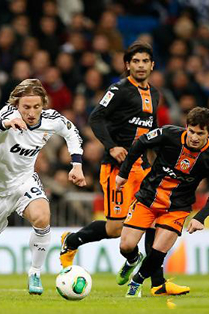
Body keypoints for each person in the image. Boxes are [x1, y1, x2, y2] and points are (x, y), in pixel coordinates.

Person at [60, 41, 186, 294]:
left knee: (155, 221)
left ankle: (158, 284)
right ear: (128, 65)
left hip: (145, 168)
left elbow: (152, 132)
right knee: (117, 228)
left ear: (152, 65)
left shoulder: (155, 94)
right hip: (117, 169)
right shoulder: (118, 90)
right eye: (135, 61)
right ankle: (71, 241)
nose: (140, 66)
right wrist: (111, 146)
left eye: (145, 61)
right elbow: (96, 117)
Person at [0, 79, 86, 299]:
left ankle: (35, 273)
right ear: (17, 105)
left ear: (43, 105)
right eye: (26, 107)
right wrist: (6, 124)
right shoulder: (7, 114)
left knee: (42, 218)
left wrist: (76, 165)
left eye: (36, 107)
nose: (31, 112)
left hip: (24, 182)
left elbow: (72, 133)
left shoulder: (51, 119)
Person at [115, 107, 209, 297]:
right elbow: (140, 142)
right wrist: (123, 174)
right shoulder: (169, 134)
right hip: (148, 198)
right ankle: (132, 260)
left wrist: (200, 217)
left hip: (177, 207)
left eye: (200, 133)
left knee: (158, 251)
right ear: (186, 127)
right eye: (191, 131)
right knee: (126, 246)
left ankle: (136, 282)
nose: (195, 137)